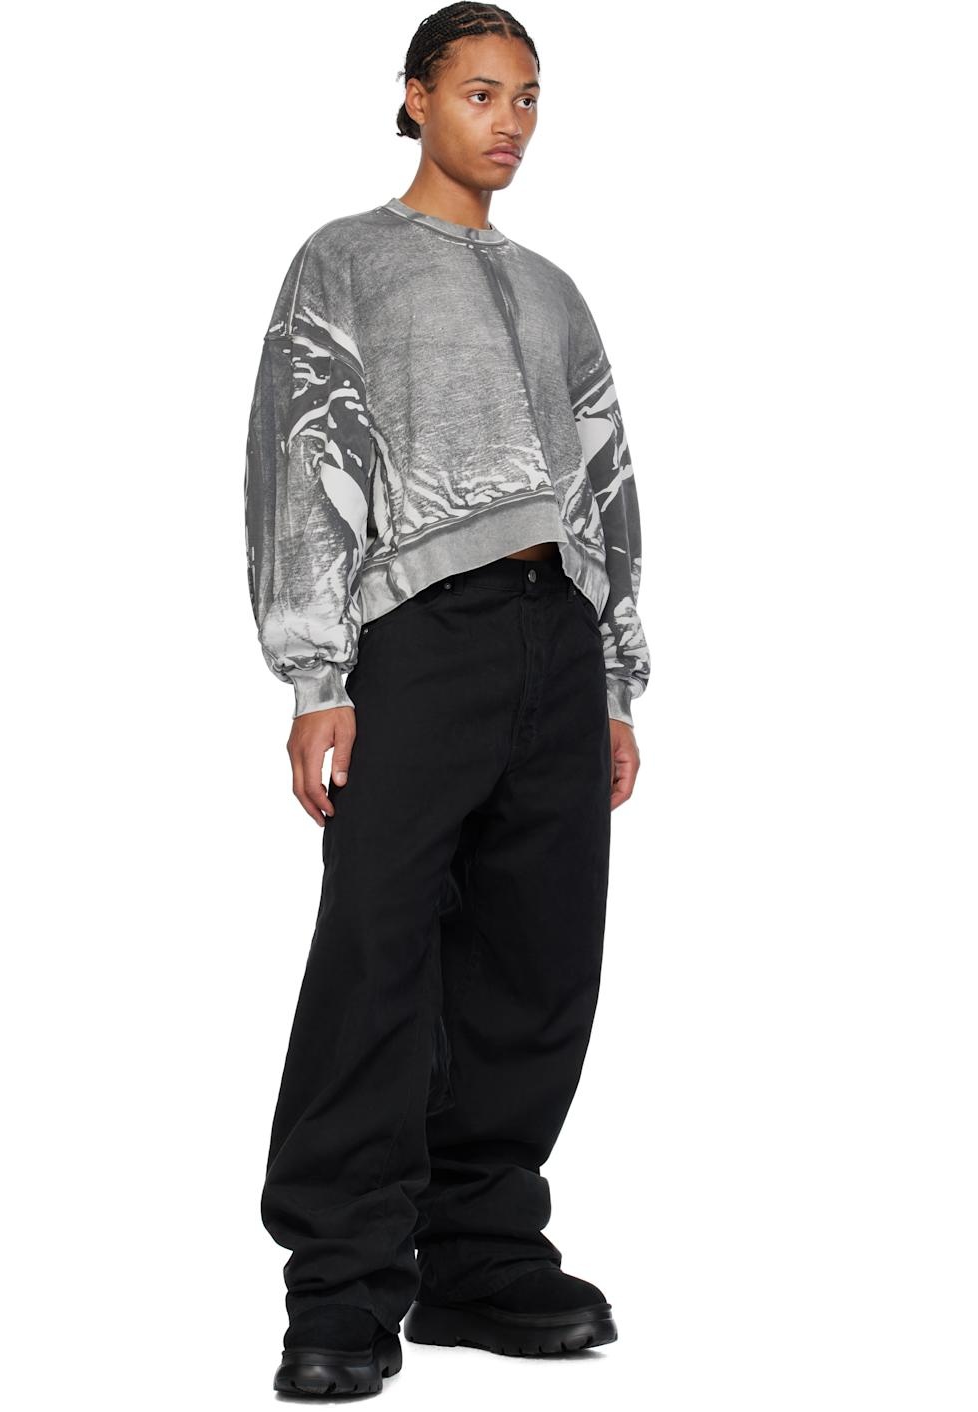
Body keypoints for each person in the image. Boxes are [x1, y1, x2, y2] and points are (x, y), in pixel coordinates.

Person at [244, 3, 650, 1396]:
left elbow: (605, 477)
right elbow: (301, 454)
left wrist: (616, 675)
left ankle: (478, 1257)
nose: (510, 123)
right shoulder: (346, 260)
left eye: (528, 98)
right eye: (481, 93)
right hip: (415, 636)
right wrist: (318, 674)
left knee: (538, 959)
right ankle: (341, 1285)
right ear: (416, 97)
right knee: (377, 953)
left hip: (558, 640)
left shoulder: (555, 289)